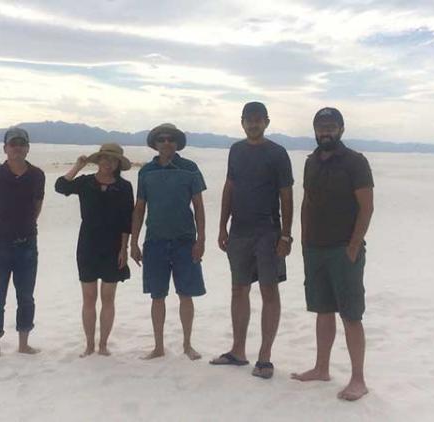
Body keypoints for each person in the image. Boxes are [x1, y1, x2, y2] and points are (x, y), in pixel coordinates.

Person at [291, 107, 374, 401]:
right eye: (320, 126)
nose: (325, 131)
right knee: (323, 311)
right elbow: (306, 202)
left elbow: (366, 207)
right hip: (314, 249)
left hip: (343, 250)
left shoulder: (355, 162)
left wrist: (353, 246)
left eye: (331, 126)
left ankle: (358, 379)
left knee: (351, 314)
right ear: (314, 130)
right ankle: (321, 367)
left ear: (341, 129)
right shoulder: (311, 162)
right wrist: (302, 241)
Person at [210, 102, 293, 379]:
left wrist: (286, 234)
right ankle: (238, 351)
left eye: (258, 120)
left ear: (267, 122)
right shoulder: (236, 150)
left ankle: (265, 357)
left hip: (268, 231)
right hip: (239, 231)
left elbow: (286, 195)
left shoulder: (278, 154)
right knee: (238, 289)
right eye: (249, 120)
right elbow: (229, 187)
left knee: (269, 291)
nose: (253, 124)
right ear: (242, 122)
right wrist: (222, 226)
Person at [130, 123, 207, 361]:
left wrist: (201, 239)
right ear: (155, 143)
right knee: (157, 296)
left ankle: (187, 344)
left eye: (171, 139)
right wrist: (134, 242)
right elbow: (140, 207)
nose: (166, 143)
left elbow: (199, 206)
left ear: (177, 143)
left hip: (185, 240)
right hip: (155, 241)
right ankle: (159, 346)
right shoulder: (146, 172)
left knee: (186, 294)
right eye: (161, 139)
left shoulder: (190, 169)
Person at [55, 143, 134, 357]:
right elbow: (61, 186)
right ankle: (89, 344)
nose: (107, 163)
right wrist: (78, 167)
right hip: (88, 244)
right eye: (104, 158)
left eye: (112, 159)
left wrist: (124, 249)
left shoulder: (124, 187)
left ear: (118, 163)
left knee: (108, 297)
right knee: (89, 298)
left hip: (113, 246)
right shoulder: (86, 182)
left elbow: (128, 221)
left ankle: (103, 344)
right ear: (98, 161)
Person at [0, 127, 45, 362]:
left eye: (21, 144)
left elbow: (37, 206)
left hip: (27, 245)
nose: (17, 148)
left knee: (26, 296)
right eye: (13, 144)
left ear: (27, 148)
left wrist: (25, 227)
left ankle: (24, 344)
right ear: (5, 148)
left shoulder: (37, 175)